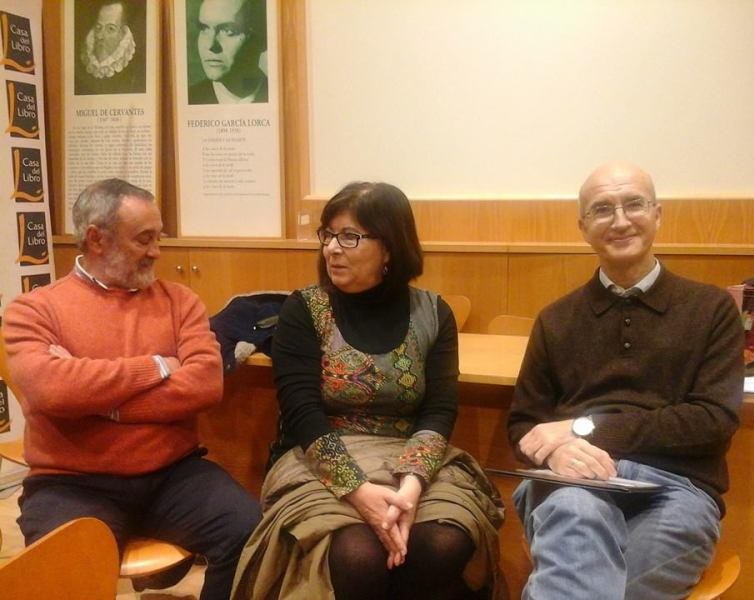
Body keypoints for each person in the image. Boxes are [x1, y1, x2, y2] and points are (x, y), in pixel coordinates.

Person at [231, 182, 504, 600]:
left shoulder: (433, 312)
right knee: (356, 553)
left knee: (443, 542)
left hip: (411, 456)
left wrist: (410, 487)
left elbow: (439, 409)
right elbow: (302, 412)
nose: (332, 249)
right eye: (328, 234)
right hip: (320, 456)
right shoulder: (305, 309)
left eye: (349, 237)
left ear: (389, 247)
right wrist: (358, 491)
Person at [3, 179, 261, 600]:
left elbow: (204, 386)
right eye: (144, 239)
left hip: (173, 474)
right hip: (71, 483)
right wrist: (158, 365)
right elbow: (50, 391)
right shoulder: (34, 310)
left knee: (251, 533)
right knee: (62, 570)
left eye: (158, 237)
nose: (156, 251)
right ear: (96, 239)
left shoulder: (181, 302)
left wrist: (101, 403)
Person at [507, 162, 744, 600]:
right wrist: (556, 451)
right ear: (583, 227)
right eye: (602, 209)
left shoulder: (711, 309)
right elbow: (524, 425)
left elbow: (713, 419)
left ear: (657, 214)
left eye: (633, 204)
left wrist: (584, 428)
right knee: (573, 512)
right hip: (573, 482)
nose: (620, 221)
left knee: (581, 584)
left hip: (677, 489)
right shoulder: (556, 319)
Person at [189, 0, 268, 104]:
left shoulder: (280, 97)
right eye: (205, 28)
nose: (210, 45)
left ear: (261, 39)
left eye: (228, 31)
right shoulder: (188, 99)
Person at [76, 0, 145, 95]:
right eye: (98, 28)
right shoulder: (82, 62)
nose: (100, 36)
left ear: (122, 33)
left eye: (110, 29)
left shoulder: (139, 69)